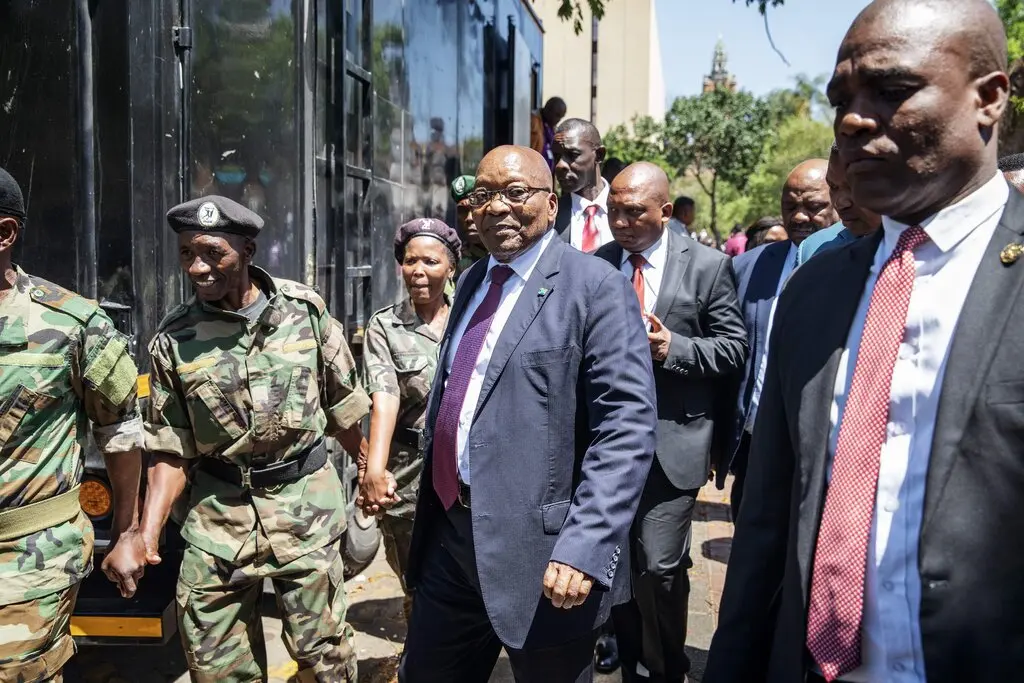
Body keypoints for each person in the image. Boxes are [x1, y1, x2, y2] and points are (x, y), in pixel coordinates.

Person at [705, 1, 1017, 681]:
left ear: (989, 97)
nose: (850, 119)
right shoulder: (813, 293)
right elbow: (764, 535)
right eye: (840, 99)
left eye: (891, 90)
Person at [399, 145, 657, 683]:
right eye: (485, 195)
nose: (497, 208)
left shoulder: (595, 286)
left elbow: (626, 428)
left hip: (545, 558)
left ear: (551, 202)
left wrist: (585, 546)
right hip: (451, 537)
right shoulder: (471, 280)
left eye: (515, 194)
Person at [139, 195, 372, 682]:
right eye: (186, 254)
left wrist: (372, 471)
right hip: (217, 522)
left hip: (305, 514)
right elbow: (169, 448)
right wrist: (146, 533)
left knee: (326, 659)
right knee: (215, 666)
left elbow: (343, 410)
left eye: (212, 253)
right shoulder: (174, 339)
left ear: (248, 250)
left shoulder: (305, 312)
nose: (197, 267)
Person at [596, 163, 747, 683]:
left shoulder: (706, 267)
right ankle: (638, 664)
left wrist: (673, 347)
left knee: (658, 567)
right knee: (616, 568)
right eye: (613, 210)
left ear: (665, 211)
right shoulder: (599, 265)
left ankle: (668, 667)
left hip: (674, 442)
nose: (620, 221)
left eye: (633, 211)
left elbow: (733, 348)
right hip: (607, 446)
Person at [0, 167, 146, 681]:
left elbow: (122, 433)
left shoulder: (72, 325)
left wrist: (127, 532)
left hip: (28, 559)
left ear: (5, 234)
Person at [359, 218, 461, 621]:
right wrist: (376, 470)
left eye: (431, 262)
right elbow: (384, 398)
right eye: (410, 261)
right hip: (410, 471)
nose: (418, 271)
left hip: (463, 467)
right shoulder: (385, 326)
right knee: (414, 572)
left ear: (450, 267)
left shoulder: (470, 317)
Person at [723, 159, 836, 517]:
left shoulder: (854, 263)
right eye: (791, 206)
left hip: (823, 448)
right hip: (756, 444)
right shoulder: (749, 267)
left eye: (814, 206)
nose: (800, 217)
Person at [798, 143, 882, 263]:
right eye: (833, 186)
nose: (840, 203)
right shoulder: (813, 251)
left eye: (854, 186)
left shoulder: (916, 249)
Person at [552, 118, 614, 252]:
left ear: (599, 155)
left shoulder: (626, 209)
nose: (559, 165)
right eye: (556, 157)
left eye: (572, 155)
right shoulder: (549, 217)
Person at [450, 175, 489, 275]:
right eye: (462, 211)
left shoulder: (510, 253)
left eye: (475, 209)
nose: (469, 218)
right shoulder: (454, 261)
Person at [531, 97, 567, 172]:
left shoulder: (552, 129)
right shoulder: (533, 122)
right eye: (557, 115)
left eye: (561, 117)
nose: (558, 120)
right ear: (548, 109)